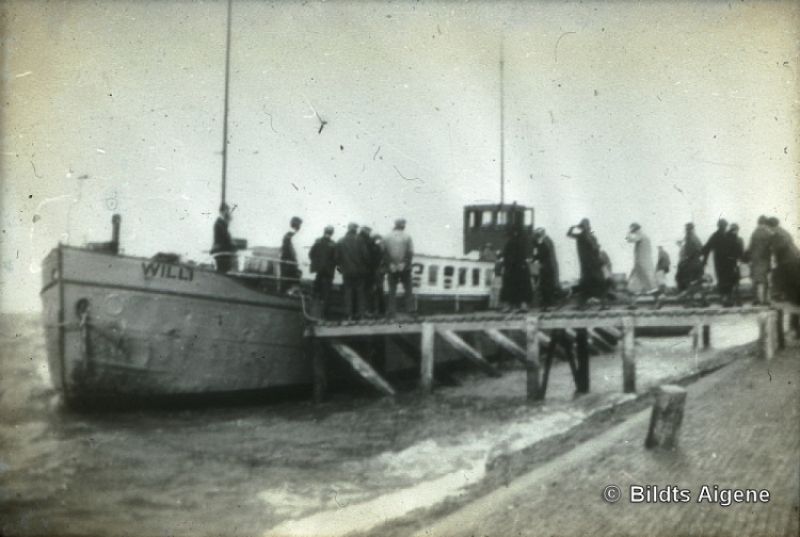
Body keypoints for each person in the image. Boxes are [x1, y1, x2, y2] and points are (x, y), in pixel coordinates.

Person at [566, 218, 606, 304]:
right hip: (593, 263)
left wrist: (573, 227)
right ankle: (597, 299)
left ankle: (586, 299)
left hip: (586, 263)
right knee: (595, 280)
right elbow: (596, 248)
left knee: (587, 281)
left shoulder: (581, 236)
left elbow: (568, 234)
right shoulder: (591, 236)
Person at [335, 223, 368, 319]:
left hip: (347, 271)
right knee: (360, 293)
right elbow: (366, 256)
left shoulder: (340, 241)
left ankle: (348, 314)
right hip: (359, 271)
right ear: (355, 229)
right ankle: (361, 314)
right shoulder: (360, 240)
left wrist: (340, 268)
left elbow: (336, 258)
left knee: (348, 293)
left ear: (348, 229)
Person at [702, 218, 739, 304]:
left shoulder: (715, 235)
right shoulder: (729, 235)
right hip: (729, 262)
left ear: (718, 226)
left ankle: (724, 299)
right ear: (725, 226)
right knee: (728, 279)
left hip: (719, 262)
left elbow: (706, 248)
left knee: (722, 279)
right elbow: (735, 248)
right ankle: (728, 298)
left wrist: (704, 260)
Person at [383, 218, 415, 317]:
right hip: (405, 268)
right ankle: (410, 310)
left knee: (392, 289)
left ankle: (391, 311)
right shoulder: (407, 236)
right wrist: (403, 263)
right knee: (408, 289)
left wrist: (390, 264)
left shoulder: (386, 236)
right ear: (403, 225)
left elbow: (384, 252)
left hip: (391, 267)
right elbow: (410, 252)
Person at [500, 222, 533, 311]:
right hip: (521, 267)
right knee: (523, 286)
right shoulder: (523, 241)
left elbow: (506, 255)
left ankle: (509, 305)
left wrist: (505, 264)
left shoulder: (510, 242)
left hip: (511, 268)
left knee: (509, 286)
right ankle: (523, 305)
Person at [767, 217, 800, 305]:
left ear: (770, 226)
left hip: (787, 260)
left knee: (789, 281)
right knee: (795, 280)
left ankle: (792, 301)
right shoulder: (784, 232)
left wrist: (773, 251)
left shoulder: (776, 234)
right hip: (795, 258)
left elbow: (779, 247)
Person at [308, 226, 336, 318]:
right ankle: (324, 315)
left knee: (316, 291)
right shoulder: (333, 244)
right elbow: (336, 258)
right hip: (328, 272)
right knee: (327, 293)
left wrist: (316, 264)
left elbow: (311, 254)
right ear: (332, 233)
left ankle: (313, 312)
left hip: (319, 271)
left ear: (324, 232)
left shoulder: (318, 241)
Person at [746, 216, 773, 304]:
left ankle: (755, 299)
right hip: (765, 259)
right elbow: (771, 247)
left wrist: (749, 258)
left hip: (755, 260)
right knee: (765, 280)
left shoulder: (754, 233)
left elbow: (750, 247)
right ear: (764, 223)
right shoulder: (768, 233)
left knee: (755, 280)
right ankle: (765, 300)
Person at [625, 223, 656, 294]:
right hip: (644, 263)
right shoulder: (645, 236)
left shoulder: (640, 235)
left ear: (635, 229)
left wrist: (629, 232)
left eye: (632, 228)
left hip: (641, 264)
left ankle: (659, 299)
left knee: (648, 285)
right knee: (635, 286)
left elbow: (629, 240)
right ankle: (633, 303)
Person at [532, 228, 560, 309]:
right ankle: (547, 303)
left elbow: (543, 254)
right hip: (548, 266)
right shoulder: (546, 241)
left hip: (547, 267)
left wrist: (535, 259)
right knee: (546, 285)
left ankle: (548, 304)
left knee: (546, 285)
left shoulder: (544, 242)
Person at [676, 223, 704, 291]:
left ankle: (684, 292)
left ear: (690, 229)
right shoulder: (693, 237)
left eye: (687, 229)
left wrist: (689, 257)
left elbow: (697, 250)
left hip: (692, 262)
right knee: (695, 281)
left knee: (682, 276)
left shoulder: (691, 237)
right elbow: (701, 249)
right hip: (695, 261)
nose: (686, 231)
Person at [211, 203, 236, 273]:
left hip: (222, 251)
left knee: (224, 270)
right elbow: (225, 237)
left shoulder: (222, 223)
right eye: (227, 210)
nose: (228, 212)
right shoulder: (219, 223)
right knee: (222, 271)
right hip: (221, 251)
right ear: (222, 211)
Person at [359, 226, 378, 316]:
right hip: (368, 270)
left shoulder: (358, 239)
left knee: (360, 291)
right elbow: (370, 256)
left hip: (359, 270)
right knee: (367, 291)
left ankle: (359, 311)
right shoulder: (369, 242)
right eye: (368, 231)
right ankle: (366, 311)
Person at [725, 223, 745, 305]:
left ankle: (729, 300)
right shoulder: (739, 240)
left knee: (729, 282)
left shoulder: (725, 239)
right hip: (735, 262)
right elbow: (741, 253)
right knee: (736, 282)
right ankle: (738, 300)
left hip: (727, 263)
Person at [281, 216, 303, 283]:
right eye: (299, 225)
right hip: (289, 259)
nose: (300, 227)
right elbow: (290, 248)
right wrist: (293, 258)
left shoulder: (289, 234)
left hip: (287, 258)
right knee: (290, 276)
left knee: (290, 275)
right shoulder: (291, 235)